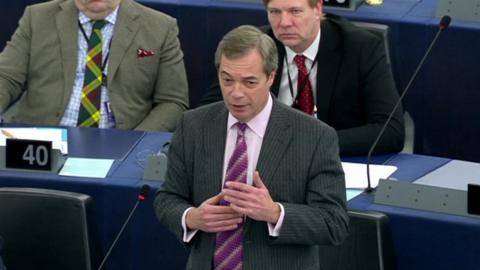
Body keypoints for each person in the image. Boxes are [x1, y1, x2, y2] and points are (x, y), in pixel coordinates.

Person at [155, 25, 348, 270]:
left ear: (270, 77)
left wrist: (275, 213)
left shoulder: (314, 136)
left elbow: (334, 223)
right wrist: (192, 218)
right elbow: (168, 199)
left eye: (249, 82)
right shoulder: (193, 125)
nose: (236, 93)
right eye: (227, 80)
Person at [199, 0, 405, 156]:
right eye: (275, 12)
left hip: (330, 160)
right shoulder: (258, 48)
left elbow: (390, 131)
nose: (284, 23)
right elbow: (207, 112)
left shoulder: (359, 47)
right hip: (266, 160)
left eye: (295, 11)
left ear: (318, 9)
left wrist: (308, 144)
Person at [0, 0, 188, 131]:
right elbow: (6, 76)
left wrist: (138, 141)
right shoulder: (38, 17)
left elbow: (173, 101)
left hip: (122, 138)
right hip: (43, 137)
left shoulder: (160, 27)